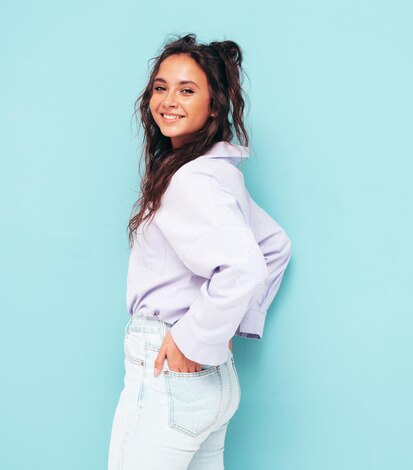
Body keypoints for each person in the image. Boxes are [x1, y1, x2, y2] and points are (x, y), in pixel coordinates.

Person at [107, 33, 292, 470]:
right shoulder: (217, 172)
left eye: (187, 90)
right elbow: (274, 246)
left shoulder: (191, 179)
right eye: (160, 87)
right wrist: (222, 328)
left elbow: (247, 266)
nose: (169, 100)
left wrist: (194, 339)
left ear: (213, 106)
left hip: (171, 373)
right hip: (212, 383)